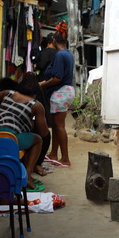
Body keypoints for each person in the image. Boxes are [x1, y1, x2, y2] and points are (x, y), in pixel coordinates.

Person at [0, 84, 49, 191]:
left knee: (25, 137)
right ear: (35, 93)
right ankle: (26, 175)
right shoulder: (36, 105)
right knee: (37, 140)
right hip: (9, 139)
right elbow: (43, 132)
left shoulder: (8, 93)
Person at [39, 34, 75, 166]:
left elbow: (57, 78)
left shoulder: (60, 55)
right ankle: (54, 153)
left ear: (54, 41)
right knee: (55, 125)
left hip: (61, 92)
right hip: (65, 91)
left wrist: (42, 85)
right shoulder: (67, 54)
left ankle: (65, 158)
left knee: (59, 126)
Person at [20, 72, 52, 176]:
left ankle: (31, 163)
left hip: (4, 130)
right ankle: (36, 164)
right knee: (44, 136)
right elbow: (43, 132)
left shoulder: (12, 95)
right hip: (17, 133)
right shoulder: (36, 102)